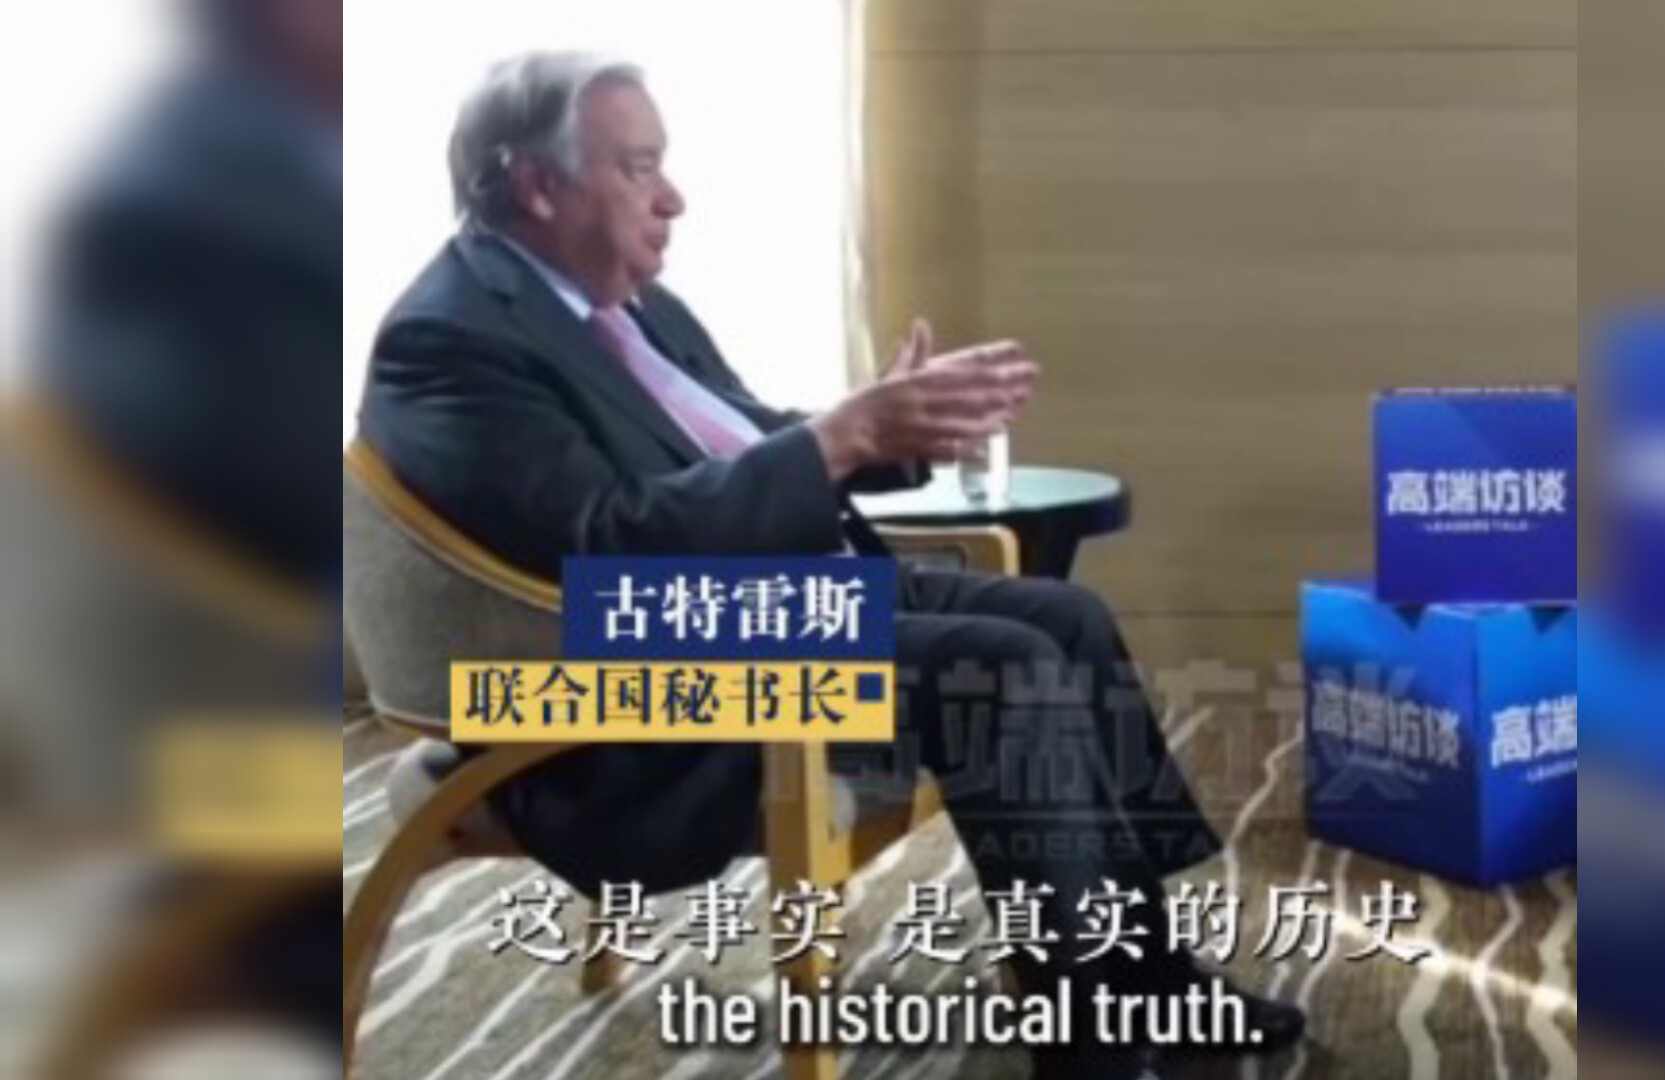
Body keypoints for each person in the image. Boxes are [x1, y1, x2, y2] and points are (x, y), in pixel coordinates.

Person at [356, 50, 1303, 1077]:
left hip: (741, 613)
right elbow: (609, 545)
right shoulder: (448, 338)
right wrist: (838, 439)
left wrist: (882, 436)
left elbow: (741, 437)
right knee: (1003, 667)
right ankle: (1087, 1046)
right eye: (639, 167)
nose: (673, 198)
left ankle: (1150, 979)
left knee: (1061, 618)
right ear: (537, 183)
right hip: (615, 696)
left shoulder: (628, 305)